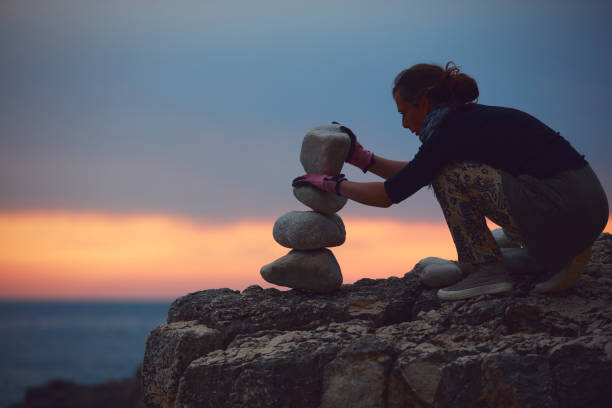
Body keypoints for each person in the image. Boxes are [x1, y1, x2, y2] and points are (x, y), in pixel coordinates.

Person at [293, 61, 609, 301]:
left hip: (564, 207)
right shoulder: (465, 122)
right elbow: (418, 172)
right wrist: (362, 159)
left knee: (451, 176)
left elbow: (392, 193)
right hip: (582, 206)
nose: (403, 123)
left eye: (404, 112)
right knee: (452, 173)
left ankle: (487, 271)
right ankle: (553, 251)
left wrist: (331, 184)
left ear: (424, 104)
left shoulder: (451, 132)